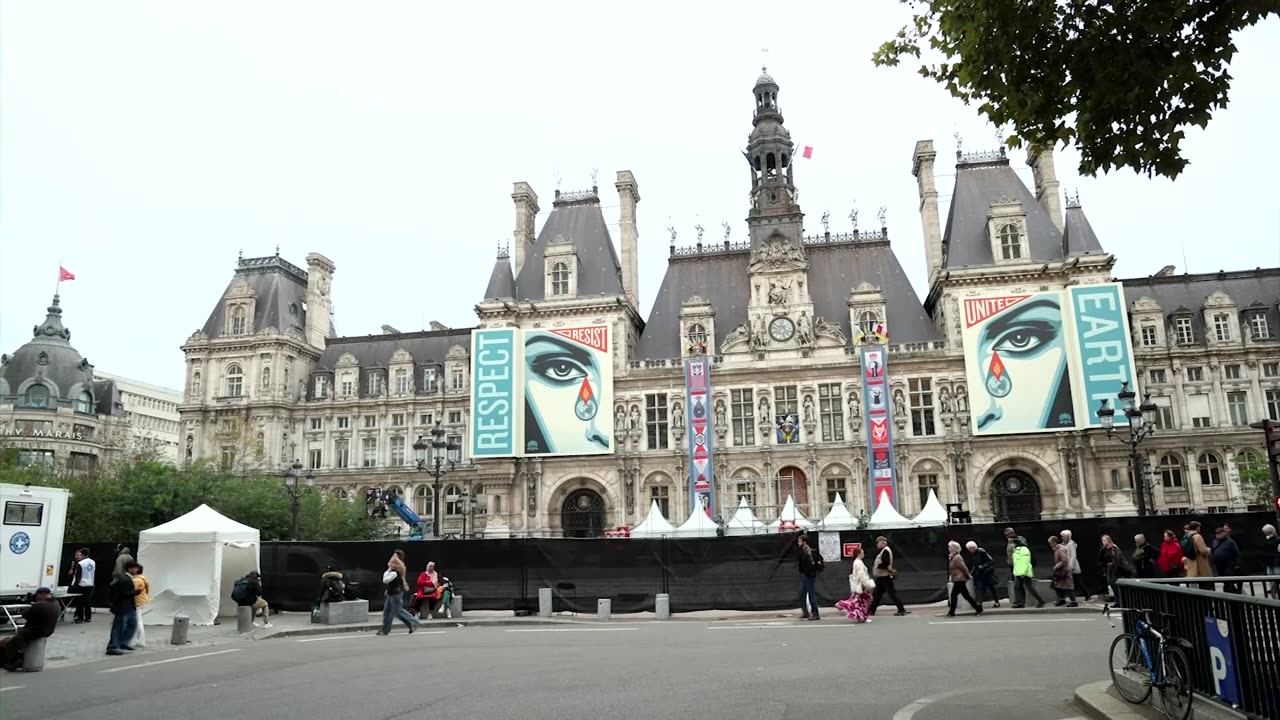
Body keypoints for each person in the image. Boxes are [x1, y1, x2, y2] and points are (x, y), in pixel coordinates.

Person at [0, 587, 59, 671]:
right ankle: (20, 656)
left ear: (42, 594)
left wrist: (32, 606)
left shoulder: (40, 605)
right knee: (17, 639)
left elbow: (26, 615)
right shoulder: (56, 603)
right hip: (48, 630)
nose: (36, 598)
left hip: (35, 631)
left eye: (37, 596)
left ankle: (13, 662)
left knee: (11, 643)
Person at [379, 549, 420, 635]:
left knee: (398, 611)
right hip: (392, 593)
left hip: (395, 594)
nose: (390, 561)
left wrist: (388, 570)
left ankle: (414, 622)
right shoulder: (397, 570)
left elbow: (385, 580)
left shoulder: (395, 572)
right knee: (387, 611)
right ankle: (385, 630)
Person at [106, 563, 141, 656]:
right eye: (135, 569)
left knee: (131, 625)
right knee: (119, 627)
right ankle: (113, 646)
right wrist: (135, 592)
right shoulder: (125, 580)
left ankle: (123, 643)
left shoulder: (126, 579)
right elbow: (123, 593)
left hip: (128, 607)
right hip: (123, 607)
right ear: (130, 569)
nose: (136, 571)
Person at [868, 536, 908, 616]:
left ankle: (901, 609)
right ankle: (871, 611)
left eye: (877, 543)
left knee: (891, 594)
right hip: (882, 577)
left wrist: (878, 566)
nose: (877, 545)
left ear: (881, 542)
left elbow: (886, 562)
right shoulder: (885, 550)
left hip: (884, 577)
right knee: (877, 595)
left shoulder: (885, 551)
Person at [835, 545, 874, 623]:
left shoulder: (857, 562)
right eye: (862, 553)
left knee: (859, 602)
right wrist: (866, 584)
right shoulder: (858, 562)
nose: (864, 554)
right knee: (862, 601)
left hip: (859, 584)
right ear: (858, 554)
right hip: (861, 585)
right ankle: (843, 604)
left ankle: (861, 616)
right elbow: (861, 575)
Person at [946, 541, 982, 617]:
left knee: (954, 595)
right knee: (966, 595)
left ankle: (951, 612)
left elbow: (964, 567)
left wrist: (968, 575)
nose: (948, 548)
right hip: (957, 578)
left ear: (954, 548)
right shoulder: (953, 557)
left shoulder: (957, 557)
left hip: (960, 579)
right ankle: (978, 608)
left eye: (950, 547)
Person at [1010, 536, 1045, 608]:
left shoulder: (1024, 549)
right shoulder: (1016, 550)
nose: (1011, 544)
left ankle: (1041, 601)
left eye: (1012, 542)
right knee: (1017, 587)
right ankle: (1020, 603)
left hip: (1024, 572)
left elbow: (1025, 562)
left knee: (1029, 587)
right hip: (1018, 572)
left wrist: (1023, 572)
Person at [965, 541, 1000, 608]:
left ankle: (996, 601)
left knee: (991, 588)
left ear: (974, 547)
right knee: (979, 588)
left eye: (970, 548)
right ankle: (979, 603)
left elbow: (990, 561)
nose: (970, 550)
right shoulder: (973, 554)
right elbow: (974, 564)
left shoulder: (981, 552)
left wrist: (983, 566)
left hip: (986, 573)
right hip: (979, 574)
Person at [796, 535, 823, 621]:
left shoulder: (808, 551)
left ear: (804, 542)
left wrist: (808, 572)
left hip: (809, 575)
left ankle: (815, 613)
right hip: (805, 574)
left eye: (800, 541)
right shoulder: (802, 550)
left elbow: (811, 564)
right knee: (802, 593)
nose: (798, 543)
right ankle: (805, 612)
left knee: (811, 594)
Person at [1181, 521, 1213, 590]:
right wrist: (1208, 550)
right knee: (1205, 586)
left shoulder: (1186, 536)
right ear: (1197, 528)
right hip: (1200, 565)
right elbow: (1203, 550)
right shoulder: (1197, 536)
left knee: (1193, 587)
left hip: (1191, 565)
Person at [1060, 529, 1090, 601]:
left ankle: (1086, 594)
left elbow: (1073, 556)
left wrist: (1070, 566)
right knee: (1076, 581)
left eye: (1063, 536)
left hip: (1072, 566)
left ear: (1068, 536)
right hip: (1067, 565)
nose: (1061, 537)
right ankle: (1086, 594)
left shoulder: (1071, 544)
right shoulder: (1064, 544)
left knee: (1077, 581)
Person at [1210, 526, 1241, 594]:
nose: (1218, 535)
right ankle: (1232, 592)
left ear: (1224, 533)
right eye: (1217, 534)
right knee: (1225, 580)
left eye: (1220, 533)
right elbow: (1213, 550)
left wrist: (1237, 564)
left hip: (1228, 564)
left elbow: (1236, 552)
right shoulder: (1215, 541)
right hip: (1219, 565)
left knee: (1229, 580)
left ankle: (1230, 593)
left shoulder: (1230, 542)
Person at [68, 547, 96, 623]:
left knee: (79, 602)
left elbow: (78, 575)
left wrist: (74, 584)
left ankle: (80, 617)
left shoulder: (80, 563)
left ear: (82, 554)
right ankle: (88, 617)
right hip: (90, 583)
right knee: (87, 601)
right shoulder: (93, 562)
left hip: (82, 584)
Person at [1099, 534, 1130, 601]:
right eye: (1102, 540)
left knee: (1115, 584)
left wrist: (1114, 568)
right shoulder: (1103, 550)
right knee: (1112, 585)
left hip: (1116, 569)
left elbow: (1118, 560)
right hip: (1108, 569)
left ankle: (1120, 601)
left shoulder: (1114, 548)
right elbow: (1101, 560)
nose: (1103, 542)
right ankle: (1117, 601)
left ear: (1109, 540)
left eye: (1105, 540)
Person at [1049, 536, 1077, 607]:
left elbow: (1064, 560)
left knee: (1068, 586)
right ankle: (1061, 599)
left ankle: (1073, 601)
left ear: (1054, 542)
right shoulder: (1056, 549)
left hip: (1064, 571)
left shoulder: (1060, 549)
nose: (1050, 545)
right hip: (1061, 571)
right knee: (1057, 585)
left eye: (1051, 543)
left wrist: (1056, 566)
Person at [129, 563, 150, 649]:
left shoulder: (137, 580)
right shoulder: (143, 579)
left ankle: (140, 640)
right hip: (143, 601)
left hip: (138, 602)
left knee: (138, 622)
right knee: (138, 621)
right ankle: (138, 640)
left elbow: (133, 592)